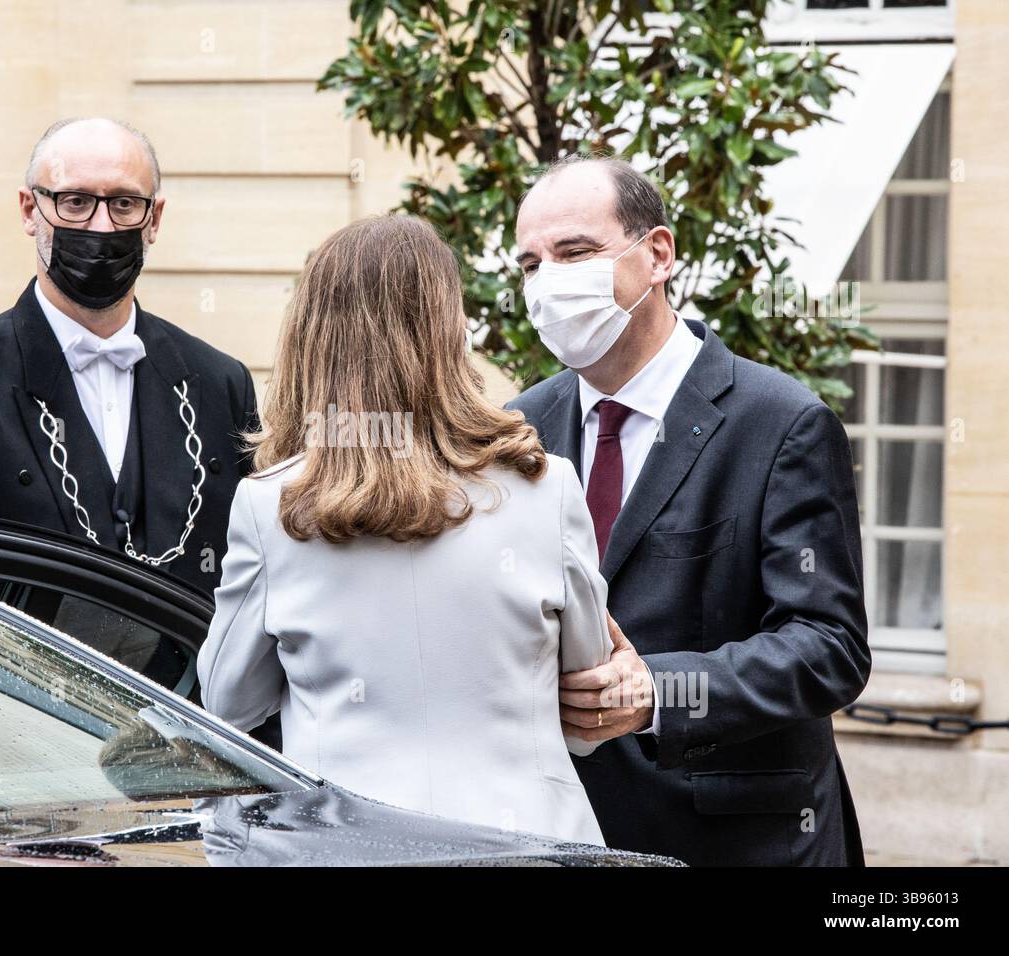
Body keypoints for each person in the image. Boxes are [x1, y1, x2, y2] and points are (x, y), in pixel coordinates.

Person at [196, 215, 614, 844]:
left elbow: (228, 702)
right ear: (449, 329)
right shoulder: (546, 486)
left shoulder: (270, 505)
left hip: (342, 847)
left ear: (311, 335)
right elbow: (586, 701)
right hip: (529, 843)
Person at [507, 155, 870, 866]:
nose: (549, 281)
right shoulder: (519, 427)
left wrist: (658, 692)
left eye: (575, 252)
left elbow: (830, 646)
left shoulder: (781, 423)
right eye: (529, 264)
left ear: (658, 254)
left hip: (740, 841)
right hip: (564, 831)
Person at [0, 118, 258, 598]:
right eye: (75, 202)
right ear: (29, 210)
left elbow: (250, 579)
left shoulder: (220, 382)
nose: (101, 226)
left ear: (155, 219)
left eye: (124, 204)